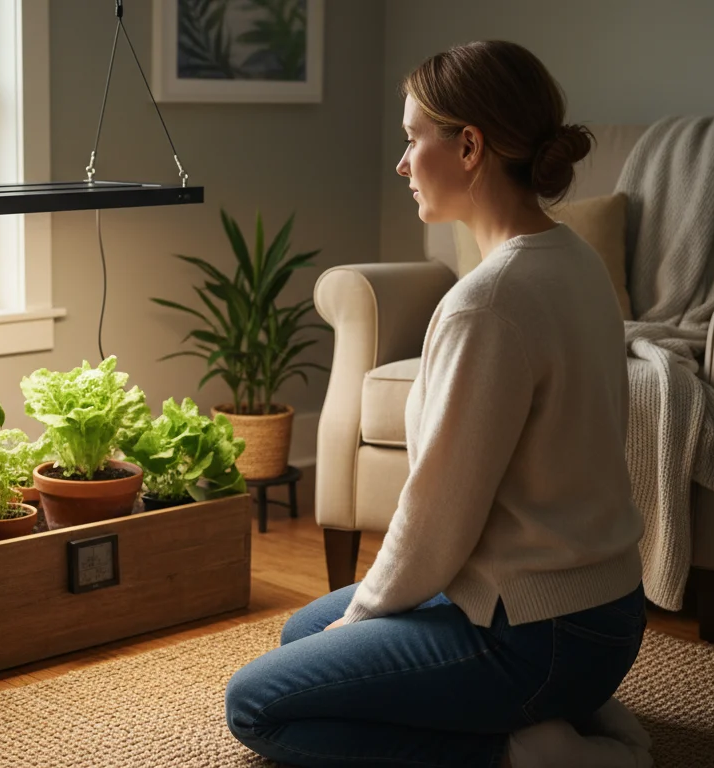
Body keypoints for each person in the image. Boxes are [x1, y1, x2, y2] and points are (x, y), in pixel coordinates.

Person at [225, 41, 653, 768]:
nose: (400, 163)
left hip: (534, 633)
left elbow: (436, 524)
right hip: (603, 615)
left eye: (411, 138)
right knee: (302, 636)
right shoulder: (573, 260)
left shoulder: (486, 305)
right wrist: (352, 628)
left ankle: (526, 753)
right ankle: (563, 708)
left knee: (259, 706)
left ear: (469, 146)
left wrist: (362, 620)